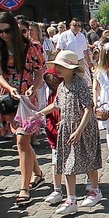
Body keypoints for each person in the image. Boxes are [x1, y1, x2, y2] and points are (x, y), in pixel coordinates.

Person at [0, 12, 46, 207]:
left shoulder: (32, 48)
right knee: (21, 141)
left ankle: (24, 188)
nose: (3, 34)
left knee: (22, 140)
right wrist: (8, 86)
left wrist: (34, 87)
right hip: (9, 98)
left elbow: (40, 71)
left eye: (6, 30)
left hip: (27, 98)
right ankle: (37, 173)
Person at [36, 50, 103, 214]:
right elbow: (56, 104)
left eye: (63, 66)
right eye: (57, 66)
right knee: (67, 163)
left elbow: (88, 108)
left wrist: (79, 130)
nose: (58, 69)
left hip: (83, 128)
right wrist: (40, 113)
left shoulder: (79, 84)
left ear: (72, 68)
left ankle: (95, 190)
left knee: (88, 159)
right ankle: (70, 198)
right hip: (66, 128)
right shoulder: (61, 86)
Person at [41, 68, 67, 205]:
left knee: (78, 159)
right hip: (56, 134)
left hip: (70, 131)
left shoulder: (68, 91)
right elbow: (51, 111)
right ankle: (57, 189)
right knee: (56, 161)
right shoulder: (52, 95)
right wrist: (39, 114)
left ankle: (90, 184)